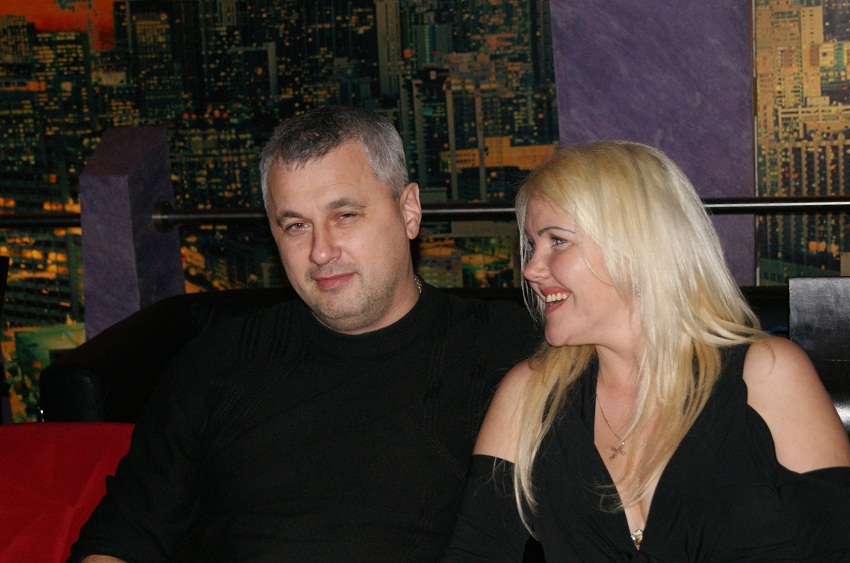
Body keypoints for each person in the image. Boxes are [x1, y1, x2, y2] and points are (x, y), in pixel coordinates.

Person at [70, 106, 539, 562]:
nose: (321, 251)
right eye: (296, 225)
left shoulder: (507, 349)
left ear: (409, 210)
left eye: (345, 215)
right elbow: (122, 535)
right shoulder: (218, 361)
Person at [445, 141, 850, 561]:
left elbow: (842, 551)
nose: (531, 269)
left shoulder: (766, 376)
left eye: (557, 240)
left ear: (635, 247)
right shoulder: (530, 393)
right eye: (533, 244)